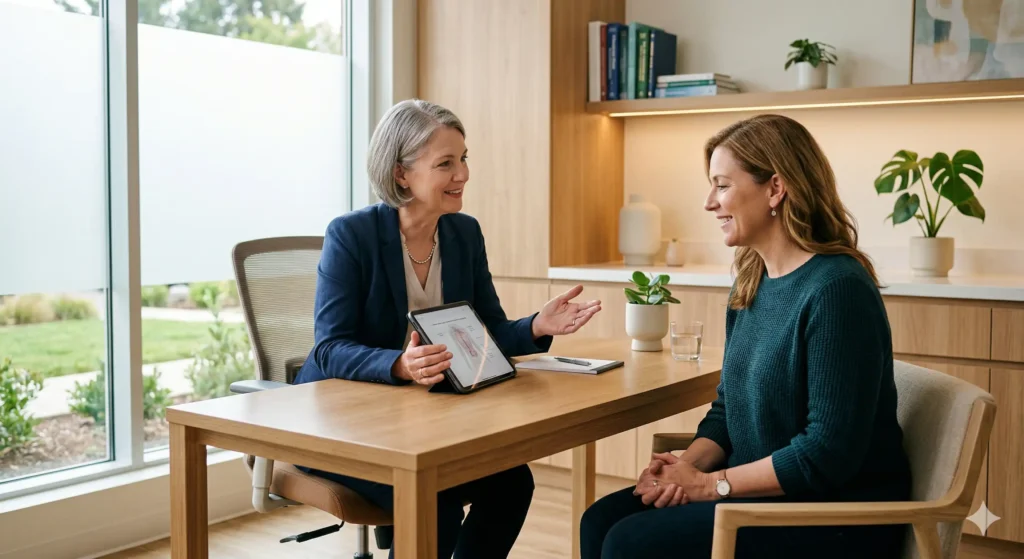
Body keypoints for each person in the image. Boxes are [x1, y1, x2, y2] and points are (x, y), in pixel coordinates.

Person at [579, 114, 912, 559]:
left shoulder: (837, 290)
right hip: (763, 495)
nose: (708, 203)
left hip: (832, 515)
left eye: (721, 185)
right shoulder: (752, 281)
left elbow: (827, 453)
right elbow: (728, 409)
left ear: (775, 188)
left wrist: (711, 485)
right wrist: (685, 467)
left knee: (629, 542)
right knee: (600, 519)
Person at [293, 99, 602, 559]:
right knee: (434, 501)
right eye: (445, 163)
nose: (462, 174)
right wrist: (399, 364)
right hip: (344, 427)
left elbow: (488, 331)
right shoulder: (351, 235)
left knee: (512, 481)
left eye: (463, 160)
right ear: (402, 174)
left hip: (419, 424)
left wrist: (536, 326)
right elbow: (328, 349)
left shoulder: (463, 233)